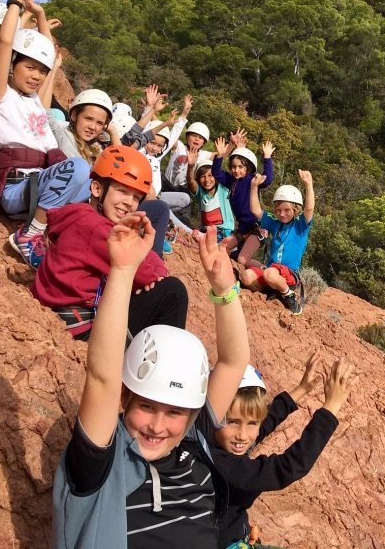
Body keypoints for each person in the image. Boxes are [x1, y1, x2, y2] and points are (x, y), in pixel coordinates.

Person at [53, 218, 250, 549]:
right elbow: (102, 377)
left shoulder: (192, 439)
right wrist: (122, 271)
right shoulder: (105, 464)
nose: (158, 426)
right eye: (146, 405)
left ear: (190, 413)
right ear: (126, 397)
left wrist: (224, 291)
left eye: (174, 412)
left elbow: (233, 362)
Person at [0, 0, 93, 268]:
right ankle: (29, 235)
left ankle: (58, 240)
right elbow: (6, 43)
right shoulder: (1, 94)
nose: (36, 75)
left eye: (41, 72)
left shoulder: (35, 101)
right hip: (15, 188)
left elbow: (47, 51)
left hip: (39, 188)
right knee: (80, 167)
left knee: (94, 185)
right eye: (29, 67)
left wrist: (41, 15)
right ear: (13, 65)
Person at [32, 145, 181, 340]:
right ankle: (160, 366)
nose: (129, 202)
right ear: (96, 189)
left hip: (70, 314)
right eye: (122, 191)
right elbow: (143, 273)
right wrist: (158, 272)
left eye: (136, 197)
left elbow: (139, 259)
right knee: (172, 292)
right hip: (81, 328)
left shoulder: (82, 216)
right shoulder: (96, 227)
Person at [212, 353, 354, 549]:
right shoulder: (223, 464)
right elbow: (288, 467)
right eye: (233, 422)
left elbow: (264, 423)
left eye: (251, 423)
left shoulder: (214, 441)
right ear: (212, 416)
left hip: (239, 535)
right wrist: (331, 407)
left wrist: (302, 389)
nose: (243, 435)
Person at [241, 170, 315, 315]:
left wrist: (309, 184)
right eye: (278, 210)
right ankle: (274, 291)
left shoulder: (300, 226)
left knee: (270, 273)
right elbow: (256, 211)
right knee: (246, 276)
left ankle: (289, 295)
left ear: (296, 209)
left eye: (287, 210)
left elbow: (309, 208)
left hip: (289, 274)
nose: (282, 214)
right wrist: (254, 187)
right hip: (272, 272)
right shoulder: (275, 223)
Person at [211, 131, 273, 267]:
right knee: (221, 249)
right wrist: (219, 156)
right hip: (242, 229)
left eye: (240, 167)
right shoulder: (231, 181)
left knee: (243, 259)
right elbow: (216, 173)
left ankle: (265, 271)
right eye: (233, 167)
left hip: (258, 228)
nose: (236, 170)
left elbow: (268, 180)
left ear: (248, 168)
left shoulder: (251, 180)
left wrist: (267, 158)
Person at [50, 88, 114, 164]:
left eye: (99, 123)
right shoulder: (61, 134)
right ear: (74, 115)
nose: (92, 127)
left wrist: (113, 132)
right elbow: (44, 113)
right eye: (88, 119)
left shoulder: (96, 150)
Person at [187, 147, 235, 243]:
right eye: (203, 177)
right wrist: (191, 166)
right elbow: (190, 181)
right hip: (206, 230)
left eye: (210, 175)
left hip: (224, 231)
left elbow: (234, 172)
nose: (207, 180)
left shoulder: (224, 189)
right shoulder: (201, 193)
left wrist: (235, 146)